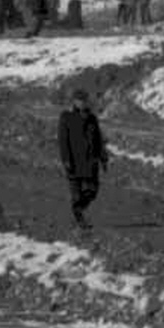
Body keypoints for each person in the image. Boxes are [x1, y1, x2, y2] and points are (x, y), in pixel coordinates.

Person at [56, 88, 109, 228]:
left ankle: (78, 210)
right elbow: (63, 140)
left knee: (92, 191)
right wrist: (66, 160)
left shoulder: (92, 118)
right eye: (80, 100)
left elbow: (98, 139)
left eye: (85, 100)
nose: (83, 102)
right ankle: (79, 219)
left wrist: (103, 158)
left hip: (91, 161)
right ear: (74, 101)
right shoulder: (66, 117)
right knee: (77, 194)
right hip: (74, 162)